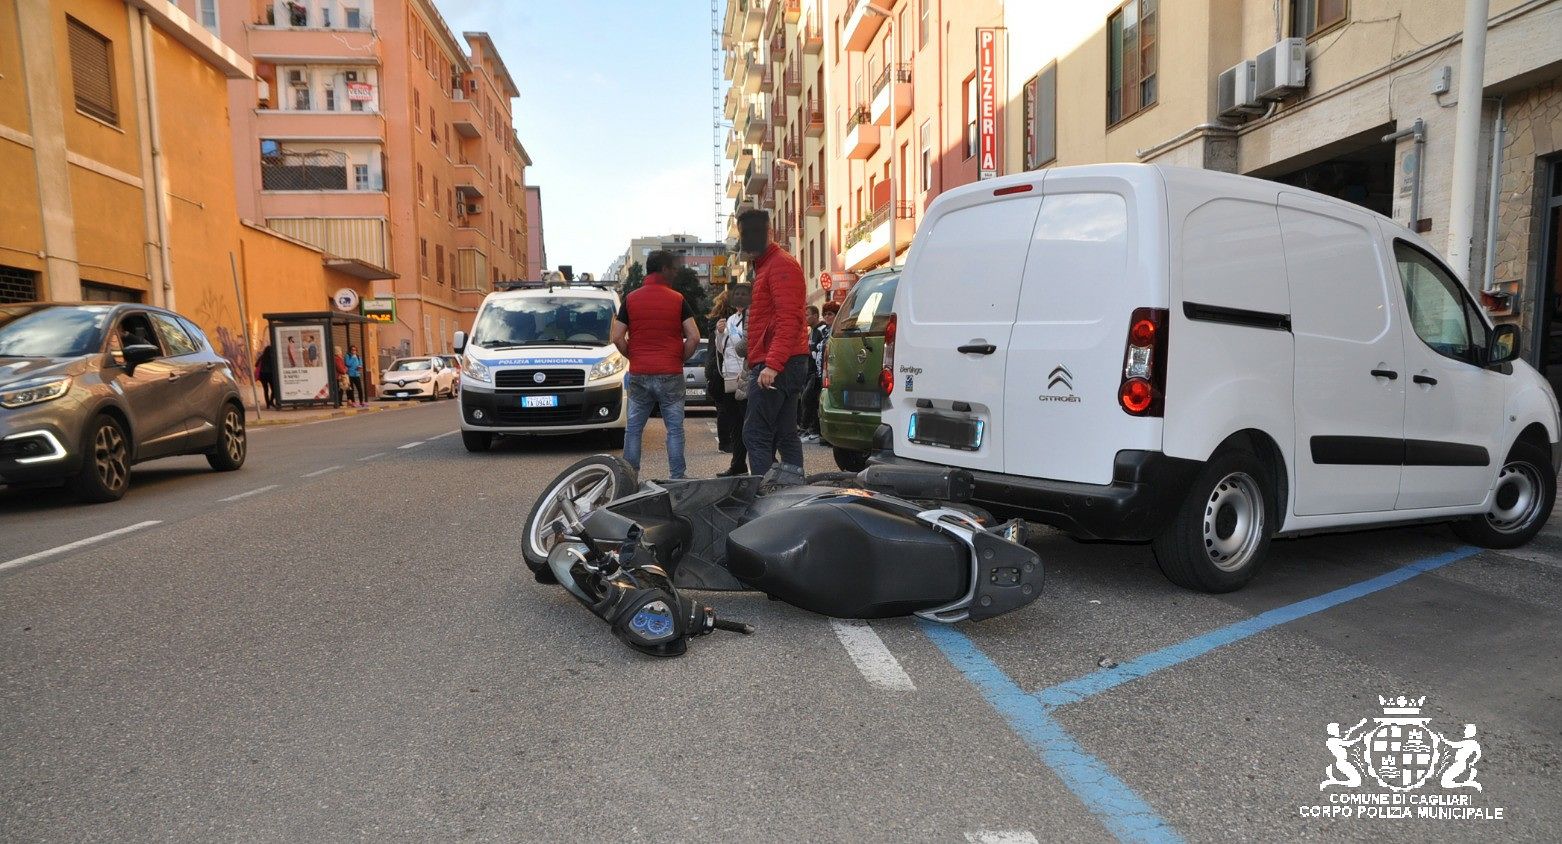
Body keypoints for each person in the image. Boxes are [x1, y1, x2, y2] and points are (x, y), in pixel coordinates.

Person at [612, 250, 701, 479]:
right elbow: (693, 336)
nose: (674, 272)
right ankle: (677, 477)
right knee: (674, 429)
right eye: (671, 268)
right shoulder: (677, 299)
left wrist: (634, 355)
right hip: (670, 372)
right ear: (663, 269)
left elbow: (617, 336)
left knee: (633, 428)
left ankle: (630, 477)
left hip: (640, 372)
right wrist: (679, 358)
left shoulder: (630, 299)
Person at [737, 208, 808, 480]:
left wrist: (772, 365)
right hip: (784, 360)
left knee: (755, 433)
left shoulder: (779, 265)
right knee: (784, 433)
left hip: (779, 363)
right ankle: (791, 492)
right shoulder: (768, 266)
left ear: (769, 232)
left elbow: (789, 319)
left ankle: (767, 496)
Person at [714, 283, 752, 476]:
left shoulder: (752, 316)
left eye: (743, 294)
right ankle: (738, 464)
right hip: (729, 376)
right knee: (736, 424)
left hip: (745, 375)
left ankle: (766, 463)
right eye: (736, 294)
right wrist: (720, 333)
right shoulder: (730, 320)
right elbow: (721, 350)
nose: (739, 298)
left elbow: (746, 346)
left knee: (750, 423)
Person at [800, 303, 835, 442]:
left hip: (818, 372)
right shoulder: (813, 331)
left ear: (815, 315)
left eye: (807, 315)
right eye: (825, 314)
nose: (806, 318)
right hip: (812, 372)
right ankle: (810, 429)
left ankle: (814, 430)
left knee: (811, 400)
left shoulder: (821, 330)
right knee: (809, 400)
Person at [256, 343, 277, 409]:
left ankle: (268, 404)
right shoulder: (272, 357)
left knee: (266, 390)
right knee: (274, 389)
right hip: (270, 375)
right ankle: (271, 401)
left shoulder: (262, 357)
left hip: (262, 375)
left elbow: (256, 364)